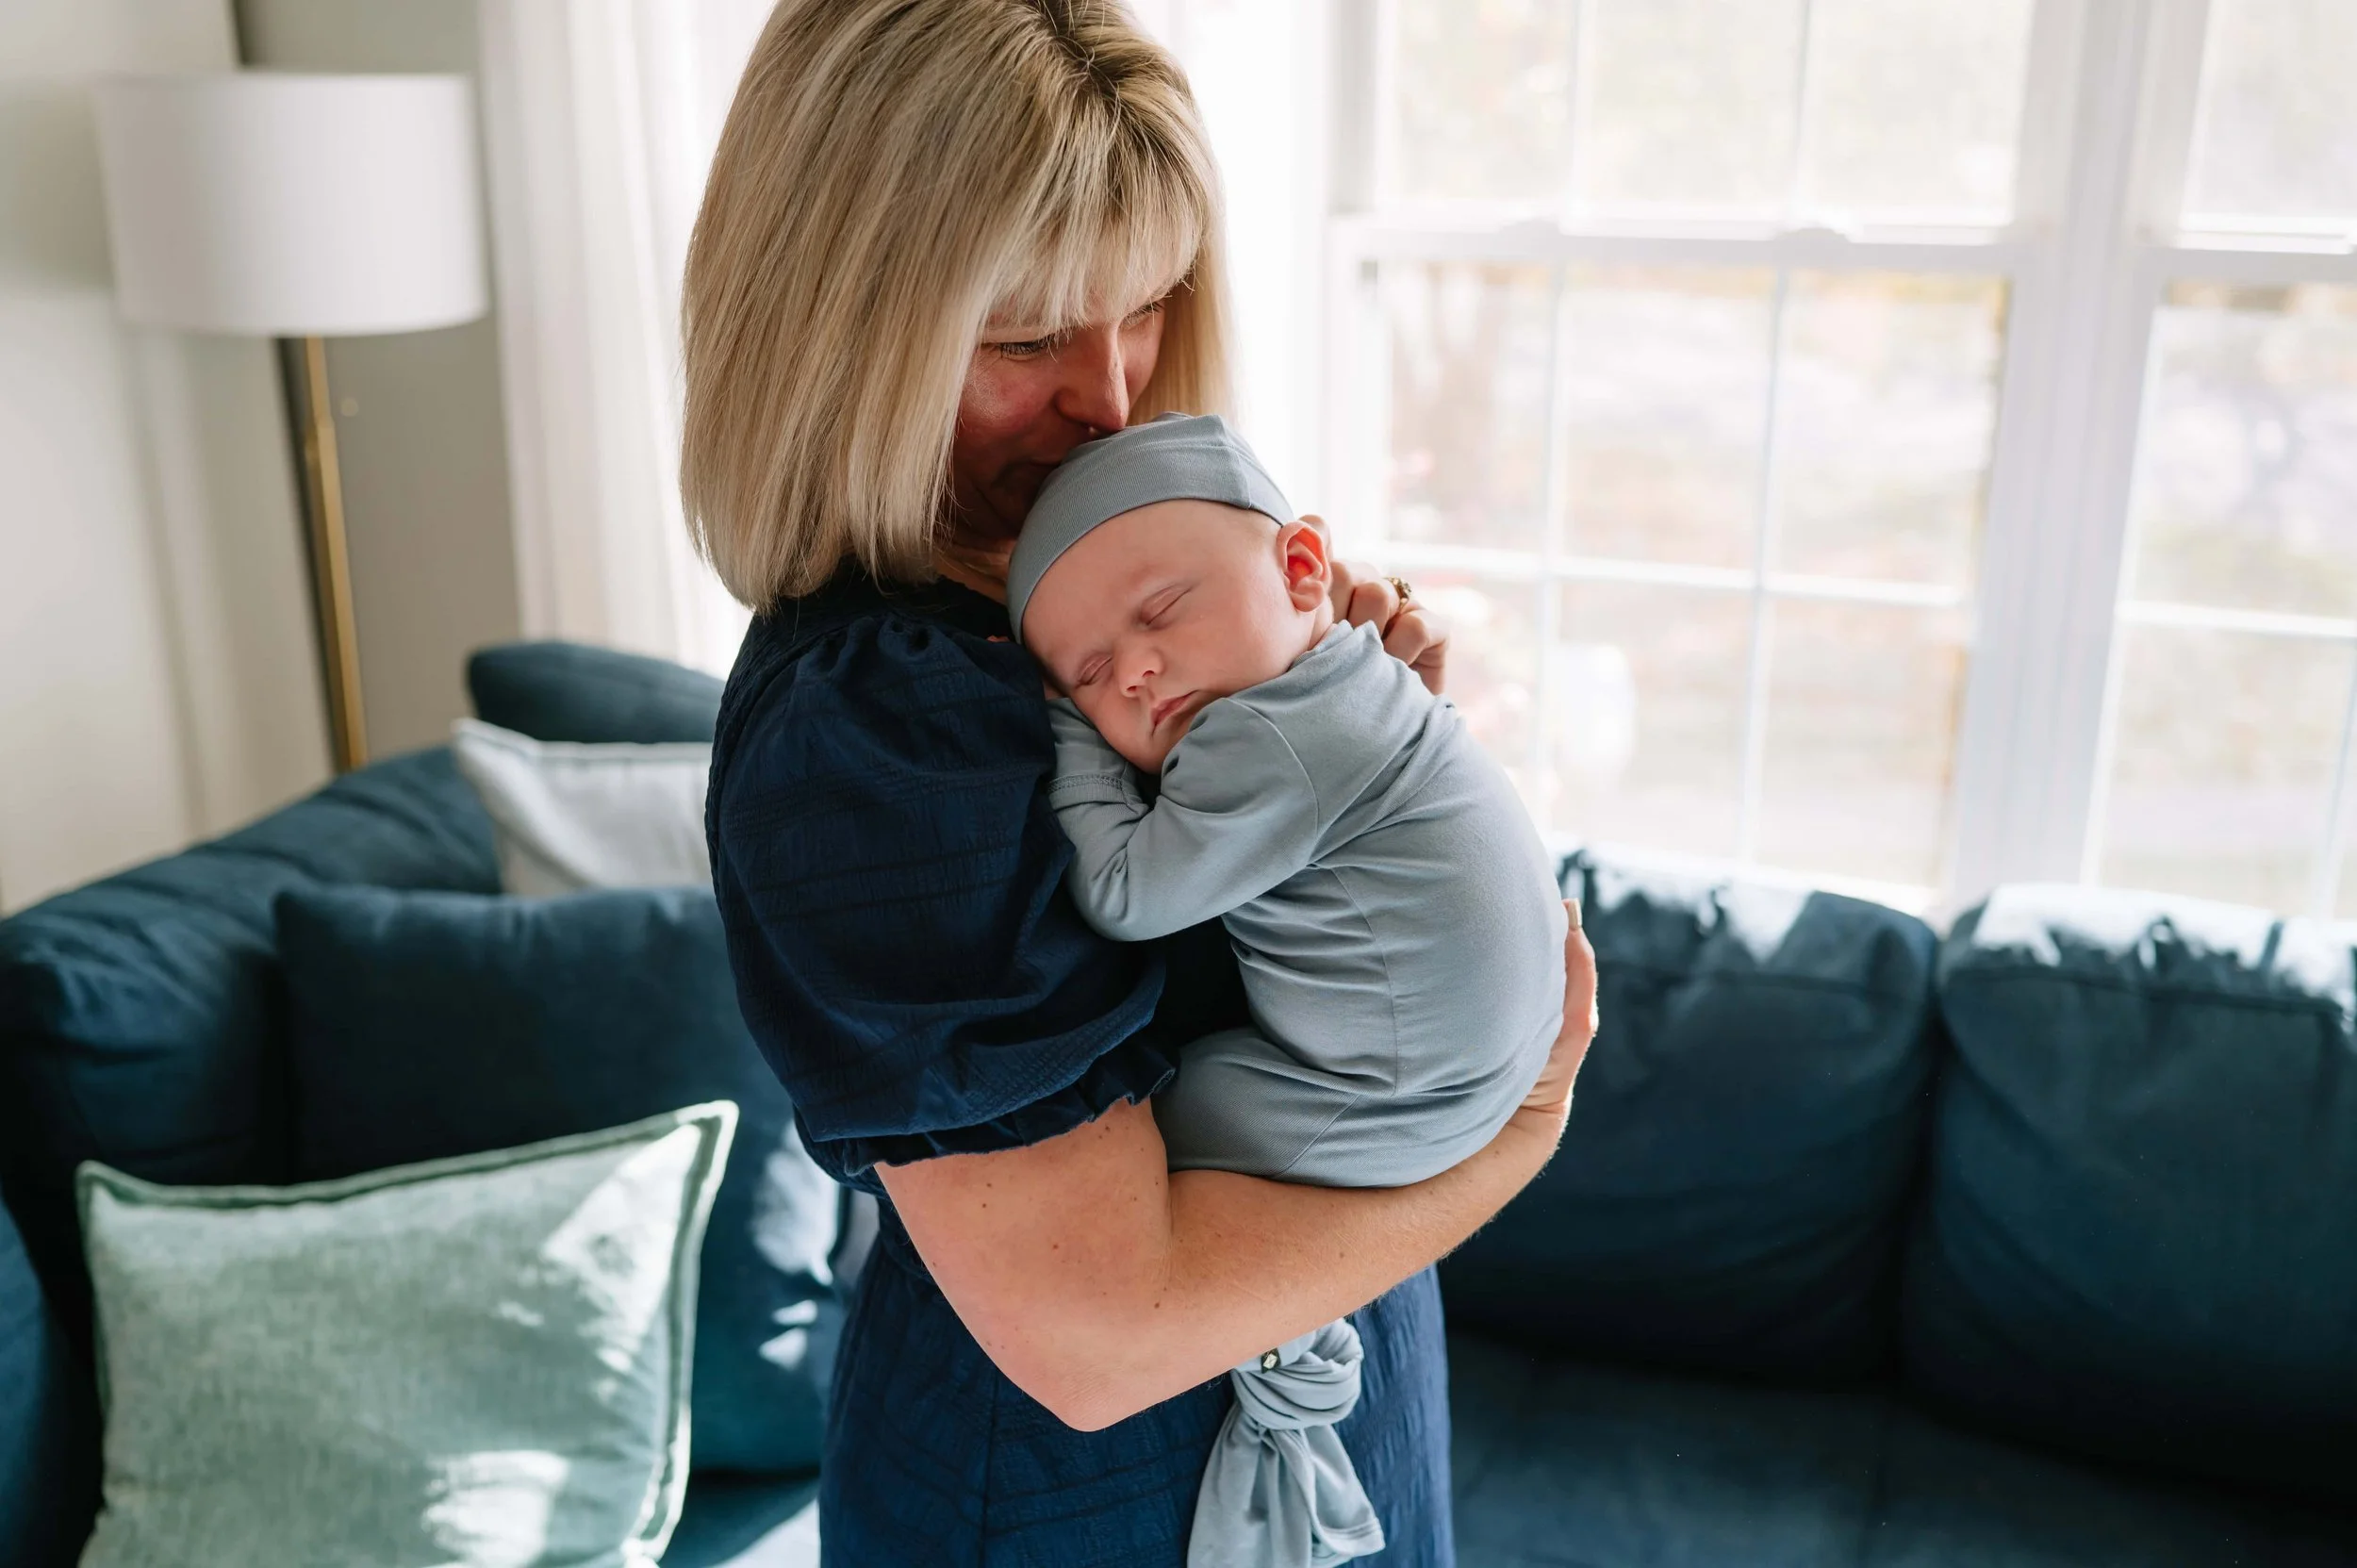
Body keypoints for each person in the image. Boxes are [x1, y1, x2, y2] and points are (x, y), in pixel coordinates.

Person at [680, 3, 1598, 1562]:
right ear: (842, 332)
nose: (1109, 397)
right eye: (1024, 337)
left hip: (1329, 1376)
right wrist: (1513, 1133)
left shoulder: (1089, 583)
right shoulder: (883, 724)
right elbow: (1099, 1336)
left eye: (1148, 305)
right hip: (1087, 1495)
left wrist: (1342, 763)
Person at [1011, 412, 1570, 1568]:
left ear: (1303, 566)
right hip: (1478, 1059)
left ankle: (1280, 1368)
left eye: (1161, 611)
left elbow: (1123, 888)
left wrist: (1061, 725)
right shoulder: (1359, 682)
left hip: (1394, 1095)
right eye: (1090, 673)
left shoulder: (1265, 737)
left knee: (1154, 1142)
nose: (1136, 669)